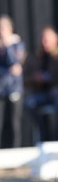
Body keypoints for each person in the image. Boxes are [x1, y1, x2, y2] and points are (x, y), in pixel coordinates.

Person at [24, 26, 58, 143]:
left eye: (47, 40)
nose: (44, 43)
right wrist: (35, 78)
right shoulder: (37, 57)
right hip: (43, 93)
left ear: (56, 39)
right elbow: (26, 78)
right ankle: (44, 134)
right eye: (43, 40)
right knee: (29, 102)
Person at [0, 15, 25, 148]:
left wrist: (8, 45)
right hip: (1, 90)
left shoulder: (16, 44)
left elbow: (14, 61)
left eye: (3, 28)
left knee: (13, 123)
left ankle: (14, 150)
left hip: (13, 89)